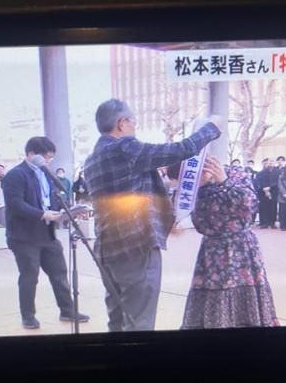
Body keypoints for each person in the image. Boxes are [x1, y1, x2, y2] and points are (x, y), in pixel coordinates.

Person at [83, 98, 221, 332]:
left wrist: (166, 218)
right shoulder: (124, 147)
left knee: (117, 320)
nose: (134, 128)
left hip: (107, 249)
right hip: (135, 248)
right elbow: (181, 150)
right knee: (139, 323)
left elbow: (131, 192)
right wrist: (212, 128)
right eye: (133, 122)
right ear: (122, 123)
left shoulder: (91, 160)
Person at [176, 156, 278, 329]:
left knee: (246, 291)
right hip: (212, 250)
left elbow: (250, 206)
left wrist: (225, 182)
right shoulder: (192, 186)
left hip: (241, 247)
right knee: (214, 291)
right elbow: (197, 219)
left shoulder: (235, 174)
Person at [3, 136, 89, 329]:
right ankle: (28, 316)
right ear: (31, 154)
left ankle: (67, 310)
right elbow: (16, 204)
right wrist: (42, 214)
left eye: (51, 157)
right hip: (24, 237)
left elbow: (51, 200)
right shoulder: (16, 175)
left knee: (59, 273)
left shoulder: (46, 174)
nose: (49, 161)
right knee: (29, 276)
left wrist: (68, 212)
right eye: (46, 157)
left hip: (47, 234)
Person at [255, 158, 278, 229]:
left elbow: (277, 182)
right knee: (263, 208)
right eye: (269, 162)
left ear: (275, 163)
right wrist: (264, 189)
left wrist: (269, 187)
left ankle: (272, 223)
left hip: (273, 191)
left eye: (272, 161)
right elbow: (259, 182)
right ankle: (264, 223)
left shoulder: (278, 172)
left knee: (273, 208)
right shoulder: (261, 173)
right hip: (263, 192)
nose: (270, 163)